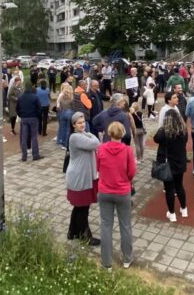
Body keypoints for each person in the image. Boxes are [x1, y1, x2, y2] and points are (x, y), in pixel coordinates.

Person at [96, 121, 136, 270]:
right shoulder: (128, 151)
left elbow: (98, 167)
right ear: (122, 134)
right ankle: (127, 258)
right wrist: (126, 180)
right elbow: (132, 171)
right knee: (125, 225)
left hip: (105, 190)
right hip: (122, 191)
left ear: (109, 133)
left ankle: (106, 262)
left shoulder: (101, 148)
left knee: (106, 225)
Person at [66, 112, 100, 246]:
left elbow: (93, 140)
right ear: (73, 125)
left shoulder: (82, 135)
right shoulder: (75, 137)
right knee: (83, 208)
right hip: (79, 177)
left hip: (83, 176)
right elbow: (96, 143)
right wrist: (91, 134)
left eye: (83, 122)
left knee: (79, 207)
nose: (82, 125)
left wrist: (89, 134)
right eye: (79, 123)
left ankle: (72, 232)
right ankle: (85, 236)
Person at [154, 106, 189, 222]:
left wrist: (161, 128)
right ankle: (184, 209)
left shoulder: (164, 132)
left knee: (169, 189)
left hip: (168, 164)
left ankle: (172, 213)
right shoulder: (183, 131)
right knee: (180, 186)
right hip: (180, 162)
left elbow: (155, 139)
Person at [18, 82, 43, 162]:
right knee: (34, 137)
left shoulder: (20, 97)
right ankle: (35, 155)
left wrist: (21, 115)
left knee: (24, 137)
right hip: (33, 118)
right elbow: (40, 108)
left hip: (24, 118)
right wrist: (37, 115)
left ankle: (24, 156)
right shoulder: (35, 97)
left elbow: (17, 109)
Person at [56, 83, 74, 148]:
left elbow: (58, 105)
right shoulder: (72, 97)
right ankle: (67, 144)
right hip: (69, 113)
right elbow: (73, 107)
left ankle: (62, 142)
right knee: (68, 129)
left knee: (62, 128)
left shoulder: (61, 96)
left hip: (62, 113)